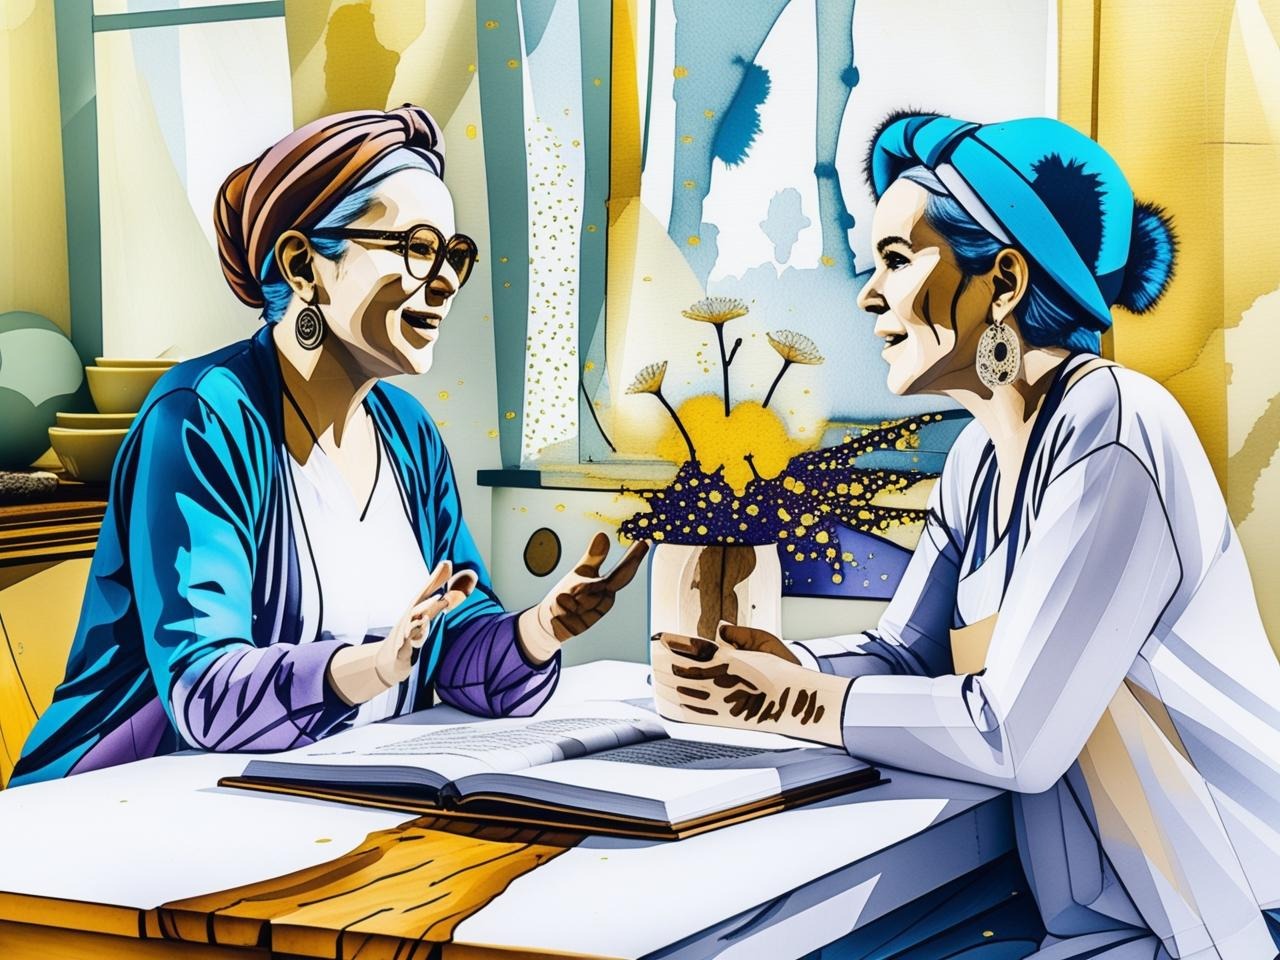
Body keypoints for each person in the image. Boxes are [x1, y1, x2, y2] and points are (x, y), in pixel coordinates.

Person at [653, 113, 1280, 958]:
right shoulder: (980, 458)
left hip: (1223, 920)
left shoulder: (1117, 429)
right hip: (1100, 923)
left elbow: (1012, 734)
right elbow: (901, 659)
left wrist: (787, 700)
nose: (870, 294)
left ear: (1007, 281)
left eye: (898, 260)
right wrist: (777, 663)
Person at [12, 105, 646, 787]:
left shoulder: (408, 434)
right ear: (304, 264)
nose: (446, 281)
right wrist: (377, 664)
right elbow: (205, 693)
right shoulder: (201, 418)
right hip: (133, 804)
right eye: (416, 248)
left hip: (340, 797)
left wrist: (540, 629)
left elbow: (460, 641)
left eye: (454, 255)